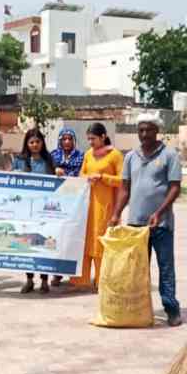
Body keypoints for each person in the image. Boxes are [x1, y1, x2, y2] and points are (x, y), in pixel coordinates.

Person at [110, 113, 183, 327]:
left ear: (156, 130)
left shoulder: (169, 155)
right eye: (141, 130)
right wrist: (116, 214)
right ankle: (139, 310)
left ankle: (171, 309)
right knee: (137, 270)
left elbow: (175, 187)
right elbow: (125, 188)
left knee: (165, 268)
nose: (144, 134)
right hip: (135, 224)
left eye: (149, 130)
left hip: (161, 225)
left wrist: (159, 212)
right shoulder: (131, 156)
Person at [70, 123, 123, 290]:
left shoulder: (114, 155)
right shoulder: (88, 155)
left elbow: (123, 180)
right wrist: (88, 177)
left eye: (93, 138)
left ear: (103, 136)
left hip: (105, 205)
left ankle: (102, 281)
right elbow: (81, 174)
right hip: (87, 205)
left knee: (101, 241)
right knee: (85, 240)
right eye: (88, 139)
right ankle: (80, 280)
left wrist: (103, 177)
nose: (90, 142)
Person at [12, 128, 56, 294]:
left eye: (38, 142)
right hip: (25, 211)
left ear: (42, 143)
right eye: (31, 142)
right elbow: (10, 178)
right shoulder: (20, 160)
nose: (35, 145)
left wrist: (58, 172)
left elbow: (57, 181)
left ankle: (44, 281)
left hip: (44, 211)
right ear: (27, 144)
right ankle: (29, 279)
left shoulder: (49, 160)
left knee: (43, 245)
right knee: (27, 245)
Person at [49, 127, 84, 287]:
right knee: (57, 236)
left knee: (72, 236)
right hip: (58, 201)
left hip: (75, 202)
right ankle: (56, 273)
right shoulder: (53, 156)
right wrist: (54, 171)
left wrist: (67, 175)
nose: (67, 142)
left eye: (70, 139)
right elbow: (46, 173)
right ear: (60, 140)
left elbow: (82, 175)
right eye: (64, 139)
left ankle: (72, 273)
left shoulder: (81, 156)